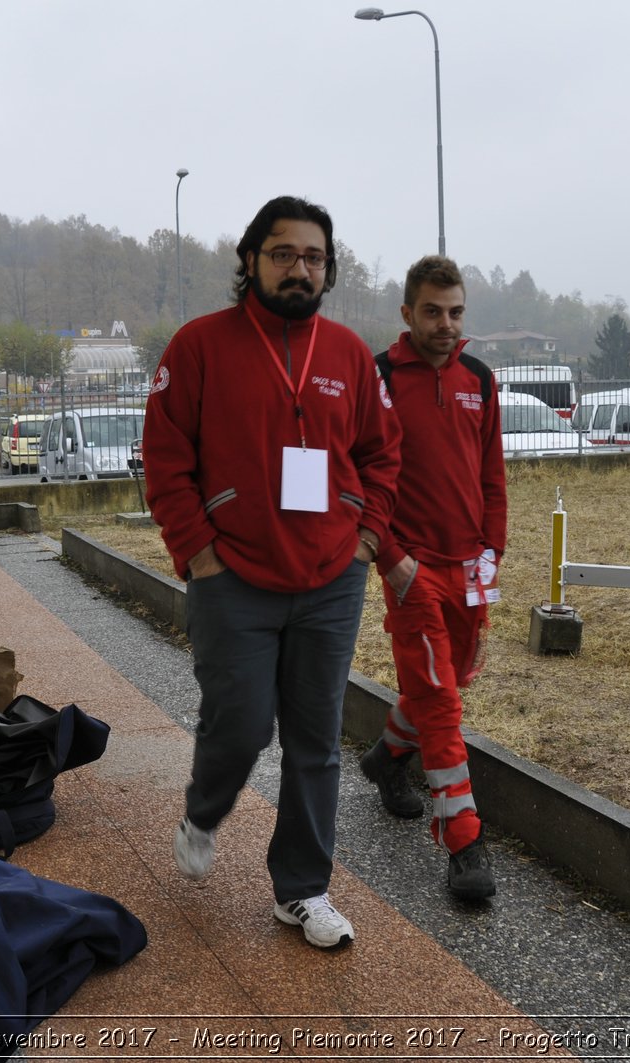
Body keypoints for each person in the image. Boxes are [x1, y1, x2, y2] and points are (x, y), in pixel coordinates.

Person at [142, 195, 401, 948]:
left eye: (314, 256)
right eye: (283, 253)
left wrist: (367, 537)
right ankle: (204, 807)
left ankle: (302, 890)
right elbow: (165, 459)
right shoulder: (199, 346)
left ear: (329, 269)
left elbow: (383, 454)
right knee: (244, 721)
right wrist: (199, 553)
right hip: (234, 577)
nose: (300, 268)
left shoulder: (349, 354)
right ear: (250, 260)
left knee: (316, 740)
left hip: (331, 577)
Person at [359, 255, 506, 901]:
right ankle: (463, 838)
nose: (445, 324)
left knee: (456, 676)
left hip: (470, 568)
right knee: (443, 702)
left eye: (455, 312)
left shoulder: (480, 376)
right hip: (410, 569)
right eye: (432, 311)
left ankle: (389, 756)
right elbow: (356, 478)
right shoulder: (380, 377)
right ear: (407, 313)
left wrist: (492, 551)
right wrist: (392, 559)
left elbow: (491, 477)